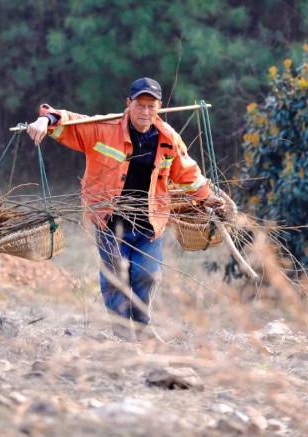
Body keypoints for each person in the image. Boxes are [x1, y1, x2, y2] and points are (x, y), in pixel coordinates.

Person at [26, 77, 231, 335]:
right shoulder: (104, 129)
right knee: (116, 276)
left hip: (149, 221)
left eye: (151, 106)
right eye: (140, 105)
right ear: (128, 104)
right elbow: (69, 123)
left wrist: (206, 196)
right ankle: (122, 332)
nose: (145, 111)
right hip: (109, 220)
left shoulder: (168, 138)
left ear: (159, 107)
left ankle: (142, 328)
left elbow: (187, 173)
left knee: (147, 275)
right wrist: (45, 120)